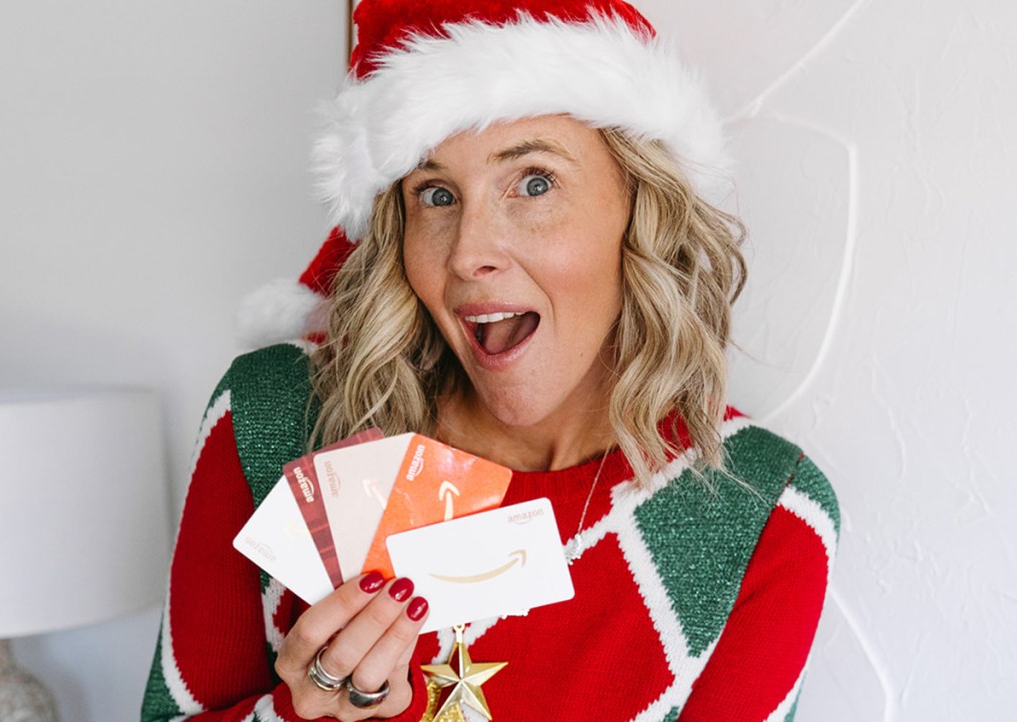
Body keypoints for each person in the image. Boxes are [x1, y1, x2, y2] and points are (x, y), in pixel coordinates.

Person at [141, 1, 839, 720]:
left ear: (642, 208)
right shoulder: (275, 415)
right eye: (435, 194)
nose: (469, 252)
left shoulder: (763, 512)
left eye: (533, 182)